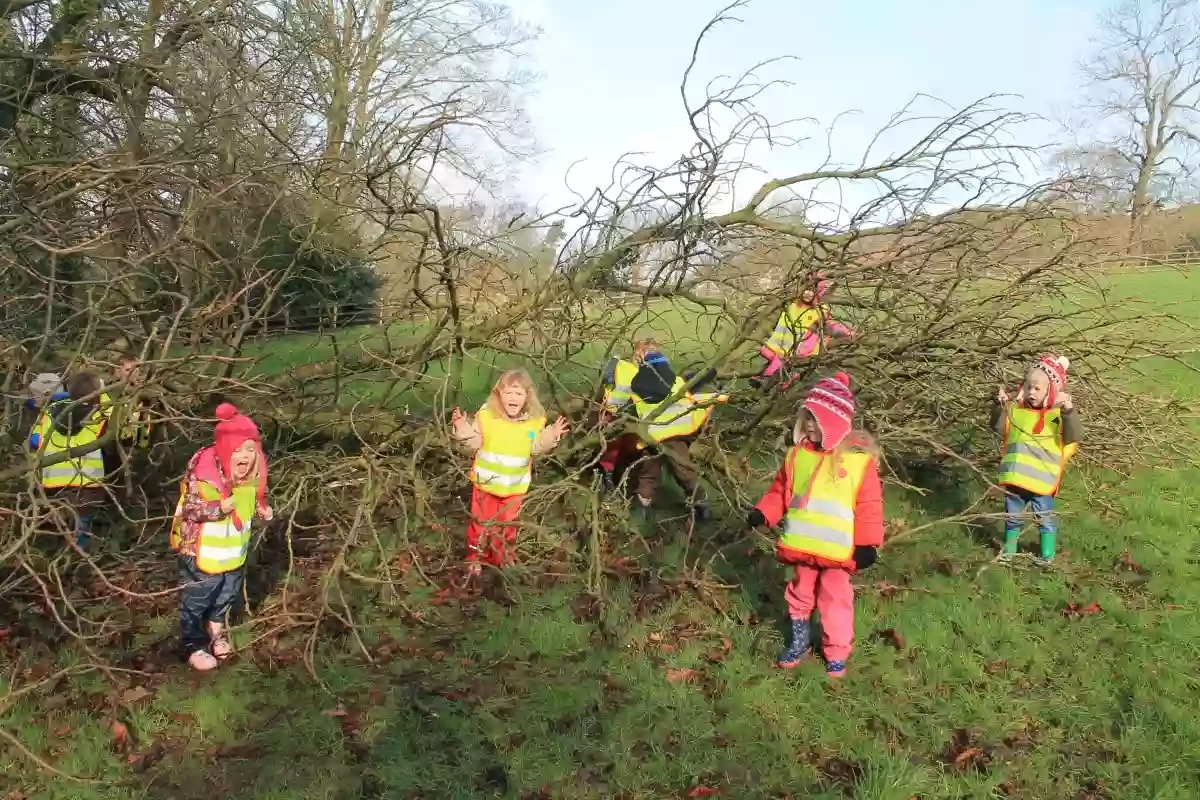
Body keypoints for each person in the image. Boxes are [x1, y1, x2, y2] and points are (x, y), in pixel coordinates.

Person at [747, 373, 884, 678]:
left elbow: (869, 508)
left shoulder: (857, 464)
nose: (810, 424)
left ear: (836, 422)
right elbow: (780, 492)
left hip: (839, 553)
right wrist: (763, 513)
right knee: (799, 592)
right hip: (803, 547)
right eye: (807, 417)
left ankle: (836, 651)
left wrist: (867, 544)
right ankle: (799, 641)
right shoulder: (797, 457)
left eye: (817, 419)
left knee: (835, 599)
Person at [169, 403, 273, 671]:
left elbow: (253, 503)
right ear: (226, 449)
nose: (246, 456)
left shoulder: (253, 473)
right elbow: (190, 510)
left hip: (232, 551)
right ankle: (192, 643)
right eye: (238, 449)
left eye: (251, 449)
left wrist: (261, 510)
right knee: (198, 597)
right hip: (200, 551)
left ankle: (216, 631)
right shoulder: (204, 473)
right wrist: (221, 507)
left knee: (226, 594)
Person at [451, 369, 569, 573]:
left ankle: (503, 556)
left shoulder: (533, 423)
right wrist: (462, 427)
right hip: (486, 485)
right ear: (499, 395)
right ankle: (475, 557)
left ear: (526, 397)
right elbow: (475, 441)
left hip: (514, 487)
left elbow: (535, 445)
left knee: (508, 526)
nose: (513, 398)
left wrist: (551, 435)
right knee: (480, 525)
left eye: (518, 393)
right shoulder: (487, 418)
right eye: (508, 393)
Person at [992, 355, 1081, 566]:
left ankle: (1047, 556)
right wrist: (999, 406)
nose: (1031, 392)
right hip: (1015, 482)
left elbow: (1074, 435)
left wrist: (1068, 411)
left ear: (1051, 391)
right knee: (1011, 518)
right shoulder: (1016, 412)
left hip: (1042, 484)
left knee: (1045, 521)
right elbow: (998, 427)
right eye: (1029, 387)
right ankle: (1009, 553)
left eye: (1037, 389)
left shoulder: (1058, 417)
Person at [627, 339, 725, 521]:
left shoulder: (636, 387)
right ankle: (702, 506)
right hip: (674, 437)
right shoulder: (678, 383)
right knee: (685, 473)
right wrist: (712, 372)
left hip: (650, 437)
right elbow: (700, 377)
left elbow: (629, 410)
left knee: (648, 474)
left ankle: (642, 510)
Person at [29, 372, 108, 550]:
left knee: (59, 524)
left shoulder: (50, 412)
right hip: (86, 483)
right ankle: (80, 555)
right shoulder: (99, 413)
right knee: (82, 522)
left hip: (53, 484)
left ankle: (58, 553)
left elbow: (35, 441)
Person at [752, 274, 853, 389]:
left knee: (781, 362)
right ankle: (770, 378)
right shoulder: (793, 303)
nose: (807, 293)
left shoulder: (820, 309)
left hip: (800, 346)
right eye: (805, 290)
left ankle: (769, 379)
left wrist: (846, 332)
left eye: (811, 291)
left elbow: (830, 324)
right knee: (775, 361)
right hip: (781, 342)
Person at [596, 353, 643, 491]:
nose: (642, 357)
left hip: (634, 418)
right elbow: (604, 376)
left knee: (630, 447)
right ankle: (607, 476)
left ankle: (622, 476)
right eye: (641, 352)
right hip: (612, 413)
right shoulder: (620, 366)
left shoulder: (649, 373)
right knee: (611, 446)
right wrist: (612, 362)